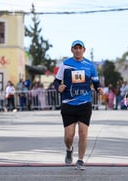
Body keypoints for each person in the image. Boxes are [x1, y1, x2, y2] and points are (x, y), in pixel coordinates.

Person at [53, 40, 103, 170]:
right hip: (68, 103)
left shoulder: (90, 65)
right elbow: (56, 82)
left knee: (83, 132)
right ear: (72, 50)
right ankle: (69, 149)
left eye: (80, 48)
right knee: (69, 135)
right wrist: (59, 87)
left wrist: (99, 89)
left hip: (84, 103)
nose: (78, 50)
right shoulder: (65, 64)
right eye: (75, 48)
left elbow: (96, 82)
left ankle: (80, 160)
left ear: (84, 50)